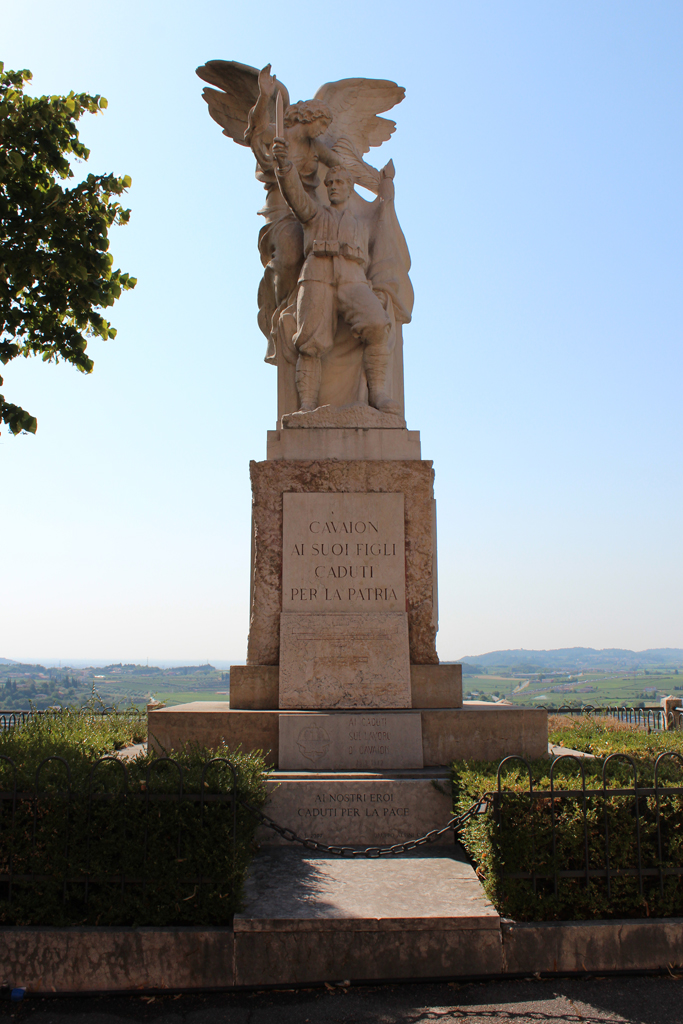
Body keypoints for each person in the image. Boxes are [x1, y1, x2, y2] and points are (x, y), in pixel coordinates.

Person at [272, 135, 401, 415]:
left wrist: (387, 189)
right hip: (317, 273)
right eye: (329, 184)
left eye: (340, 183)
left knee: (378, 325)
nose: (333, 187)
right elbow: (295, 194)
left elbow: (385, 216)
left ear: (349, 187)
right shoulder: (315, 215)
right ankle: (307, 405)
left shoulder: (363, 222)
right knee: (310, 341)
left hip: (353, 277)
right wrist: (284, 164)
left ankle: (377, 394)